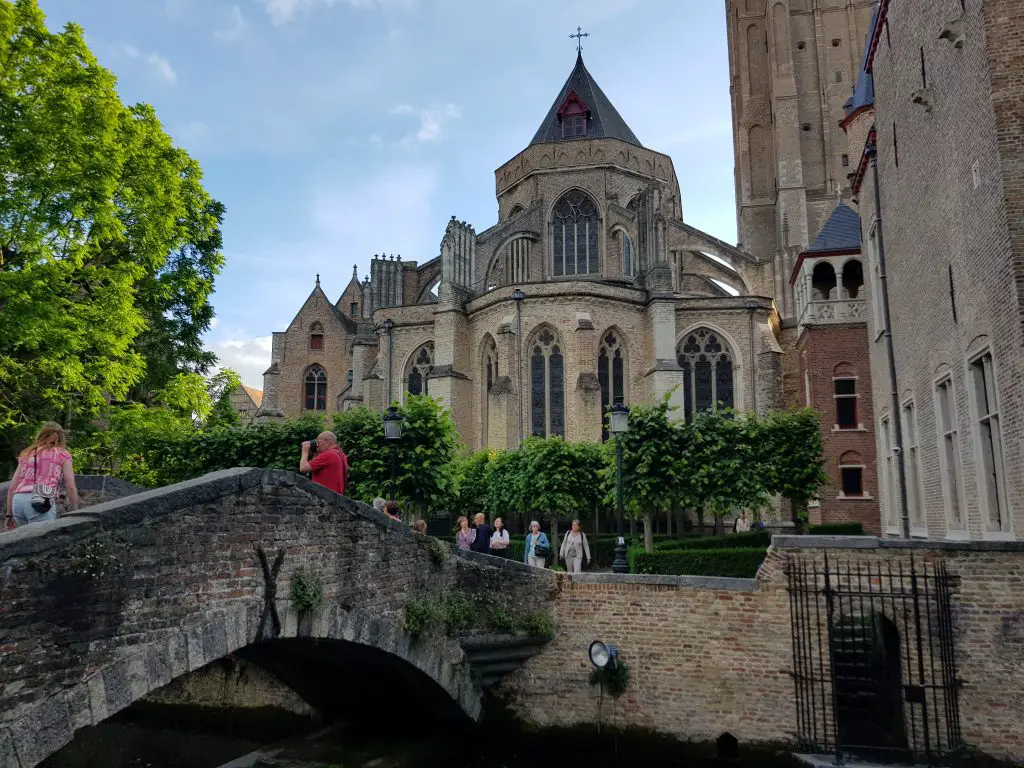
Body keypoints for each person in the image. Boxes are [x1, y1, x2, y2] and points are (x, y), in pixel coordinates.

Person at [5, 422, 79, 528]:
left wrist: (9, 514)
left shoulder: (27, 453)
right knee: (42, 541)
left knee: (25, 541)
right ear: (59, 437)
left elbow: (12, 487)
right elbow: (70, 485)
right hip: (40, 501)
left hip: (18, 501)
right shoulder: (62, 454)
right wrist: (75, 510)